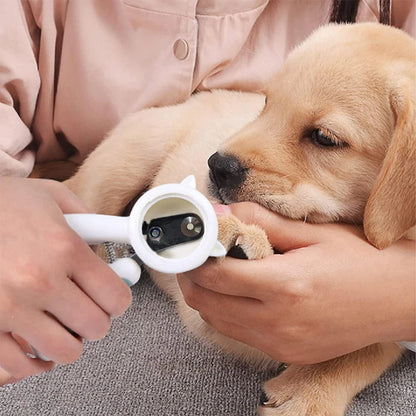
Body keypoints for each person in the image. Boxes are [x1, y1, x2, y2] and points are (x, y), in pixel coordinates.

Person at [0, 0, 414, 387]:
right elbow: (203, 309)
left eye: (323, 138)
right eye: (266, 103)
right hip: (152, 145)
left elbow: (384, 333)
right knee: (144, 139)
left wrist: (397, 299)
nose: (227, 157)